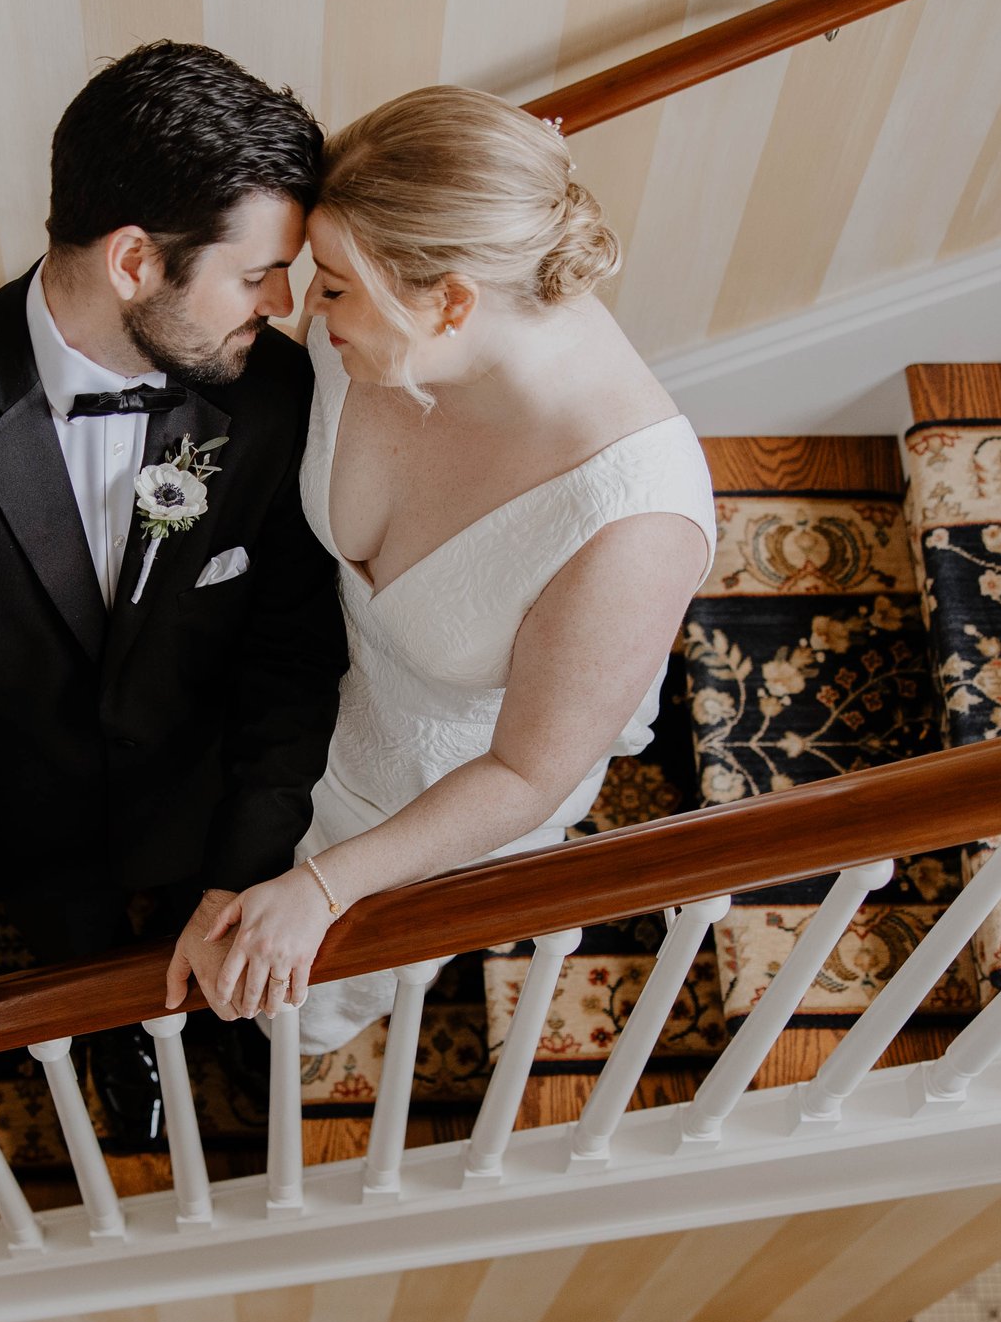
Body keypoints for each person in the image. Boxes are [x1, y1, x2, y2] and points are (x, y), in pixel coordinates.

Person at [0, 42, 346, 1139]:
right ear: (135, 260)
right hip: (17, 813)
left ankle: (228, 1028)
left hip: (204, 795)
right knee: (74, 951)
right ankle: (111, 1042)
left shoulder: (273, 395)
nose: (286, 305)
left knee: (223, 966)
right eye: (255, 274)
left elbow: (291, 647)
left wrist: (239, 870)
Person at [188, 85, 716, 1053]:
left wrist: (325, 884)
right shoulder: (381, 331)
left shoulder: (633, 524)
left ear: (452, 300)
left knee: (298, 1001)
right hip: (293, 704)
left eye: (335, 284)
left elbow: (522, 769)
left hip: (435, 789)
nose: (308, 309)